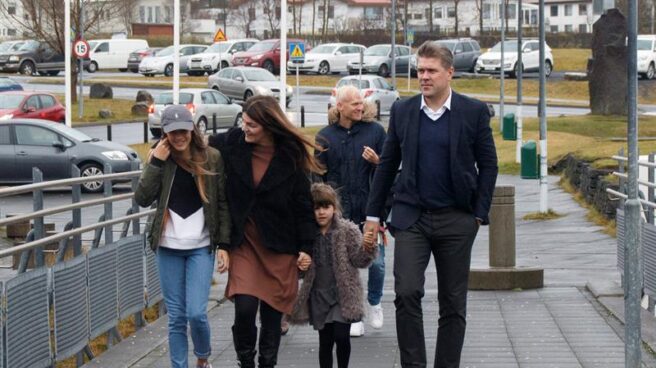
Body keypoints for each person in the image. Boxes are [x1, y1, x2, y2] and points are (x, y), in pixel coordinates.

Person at [363, 41, 499, 368]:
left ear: (449, 73)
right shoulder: (403, 111)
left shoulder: (473, 112)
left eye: (431, 71)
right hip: (412, 219)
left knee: (453, 303)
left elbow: (489, 165)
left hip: (457, 220)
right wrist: (373, 214)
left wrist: (478, 215)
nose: (423, 76)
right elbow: (387, 164)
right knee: (407, 292)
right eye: (420, 70)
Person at [208, 95, 323, 368]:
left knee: (272, 317)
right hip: (245, 243)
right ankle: (245, 362)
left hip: (280, 247)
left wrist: (306, 248)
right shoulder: (233, 143)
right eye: (243, 122)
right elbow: (195, 145)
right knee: (245, 309)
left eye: (251, 125)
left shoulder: (291, 155)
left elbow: (303, 206)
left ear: (269, 126)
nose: (244, 127)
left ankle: (267, 363)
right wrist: (160, 149)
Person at [135, 105, 231, 368]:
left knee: (197, 313)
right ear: (164, 132)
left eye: (183, 130)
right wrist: (156, 162)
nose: (179, 136)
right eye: (172, 131)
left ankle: (203, 355)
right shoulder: (159, 159)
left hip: (201, 246)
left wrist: (224, 244)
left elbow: (222, 202)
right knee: (176, 317)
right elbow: (142, 198)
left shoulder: (211, 157)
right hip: (168, 247)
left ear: (192, 130)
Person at [316, 85, 387, 337]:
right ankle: (354, 315)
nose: (360, 107)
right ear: (340, 107)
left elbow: (391, 170)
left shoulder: (376, 132)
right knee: (346, 267)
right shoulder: (325, 137)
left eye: (362, 102)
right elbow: (318, 177)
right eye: (354, 104)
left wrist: (378, 162)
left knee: (376, 263)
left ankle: (375, 302)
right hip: (341, 213)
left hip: (371, 211)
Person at [290, 183, 378, 368]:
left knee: (341, 336)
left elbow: (359, 260)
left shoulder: (347, 230)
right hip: (319, 295)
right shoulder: (307, 233)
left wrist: (368, 247)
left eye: (326, 207)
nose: (321, 212)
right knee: (325, 341)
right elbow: (299, 268)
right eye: (316, 208)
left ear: (334, 208)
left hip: (342, 294)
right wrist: (300, 263)